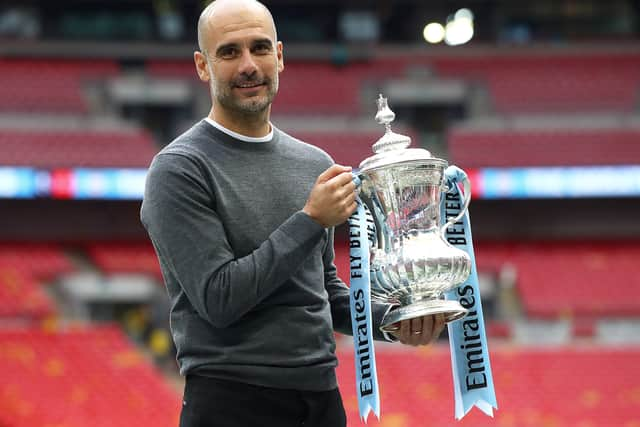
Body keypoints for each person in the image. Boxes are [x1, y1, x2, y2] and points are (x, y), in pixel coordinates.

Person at [140, 1, 445, 426]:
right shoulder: (179, 168)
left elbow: (321, 292)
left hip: (320, 398)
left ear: (279, 56)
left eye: (260, 48)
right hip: (232, 401)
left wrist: (395, 322)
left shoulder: (312, 163)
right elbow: (219, 299)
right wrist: (309, 221)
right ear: (202, 66)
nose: (249, 65)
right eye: (229, 52)